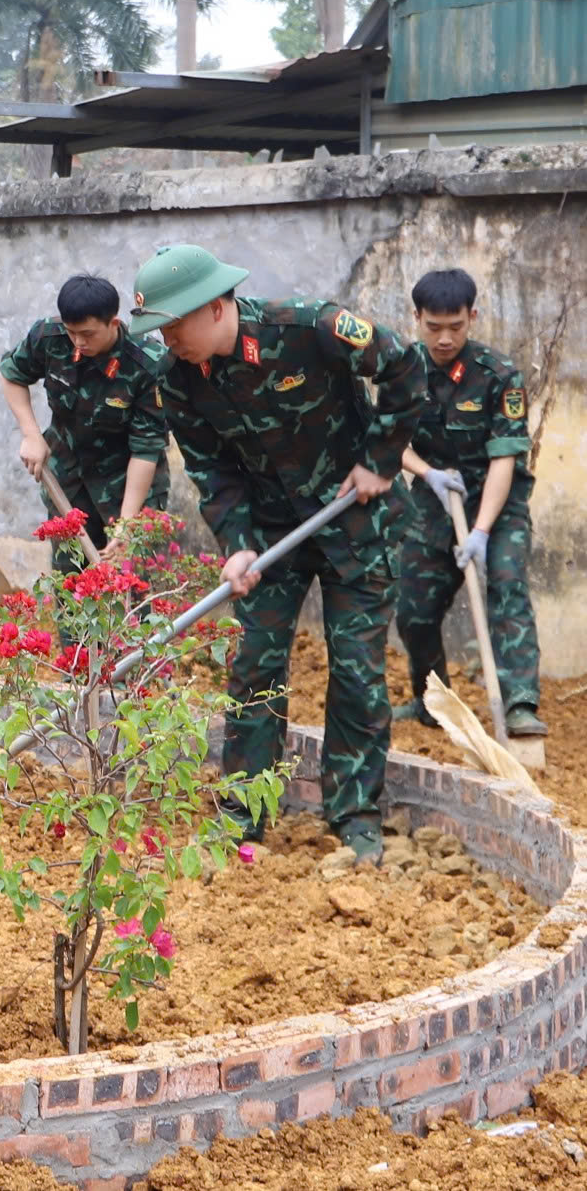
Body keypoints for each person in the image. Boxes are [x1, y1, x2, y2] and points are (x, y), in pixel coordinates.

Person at [129, 243, 427, 864]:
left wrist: (379, 459)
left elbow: (405, 364)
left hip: (356, 522)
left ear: (214, 308)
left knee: (354, 669)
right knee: (255, 667)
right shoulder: (175, 378)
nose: (167, 340)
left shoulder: (309, 328)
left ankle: (353, 817)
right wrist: (236, 546)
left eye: (173, 325)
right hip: (270, 534)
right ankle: (245, 815)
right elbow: (210, 468)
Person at [390, 268, 543, 737]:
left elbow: (505, 460)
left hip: (498, 501)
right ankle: (431, 701)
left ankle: (519, 706)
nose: (444, 338)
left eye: (455, 326)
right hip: (435, 498)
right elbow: (387, 440)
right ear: (416, 318)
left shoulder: (498, 375)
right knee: (413, 608)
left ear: (472, 316)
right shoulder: (401, 370)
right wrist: (427, 473)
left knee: (507, 585)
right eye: (434, 326)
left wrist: (481, 531)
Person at [0, 273, 170, 571]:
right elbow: (12, 375)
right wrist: (31, 436)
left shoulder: (147, 363)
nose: (78, 342)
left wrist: (127, 524)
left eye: (88, 334)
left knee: (130, 577)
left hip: (126, 481)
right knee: (71, 575)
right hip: (68, 473)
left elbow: (145, 450)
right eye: (72, 332)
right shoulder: (49, 336)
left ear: (113, 323)